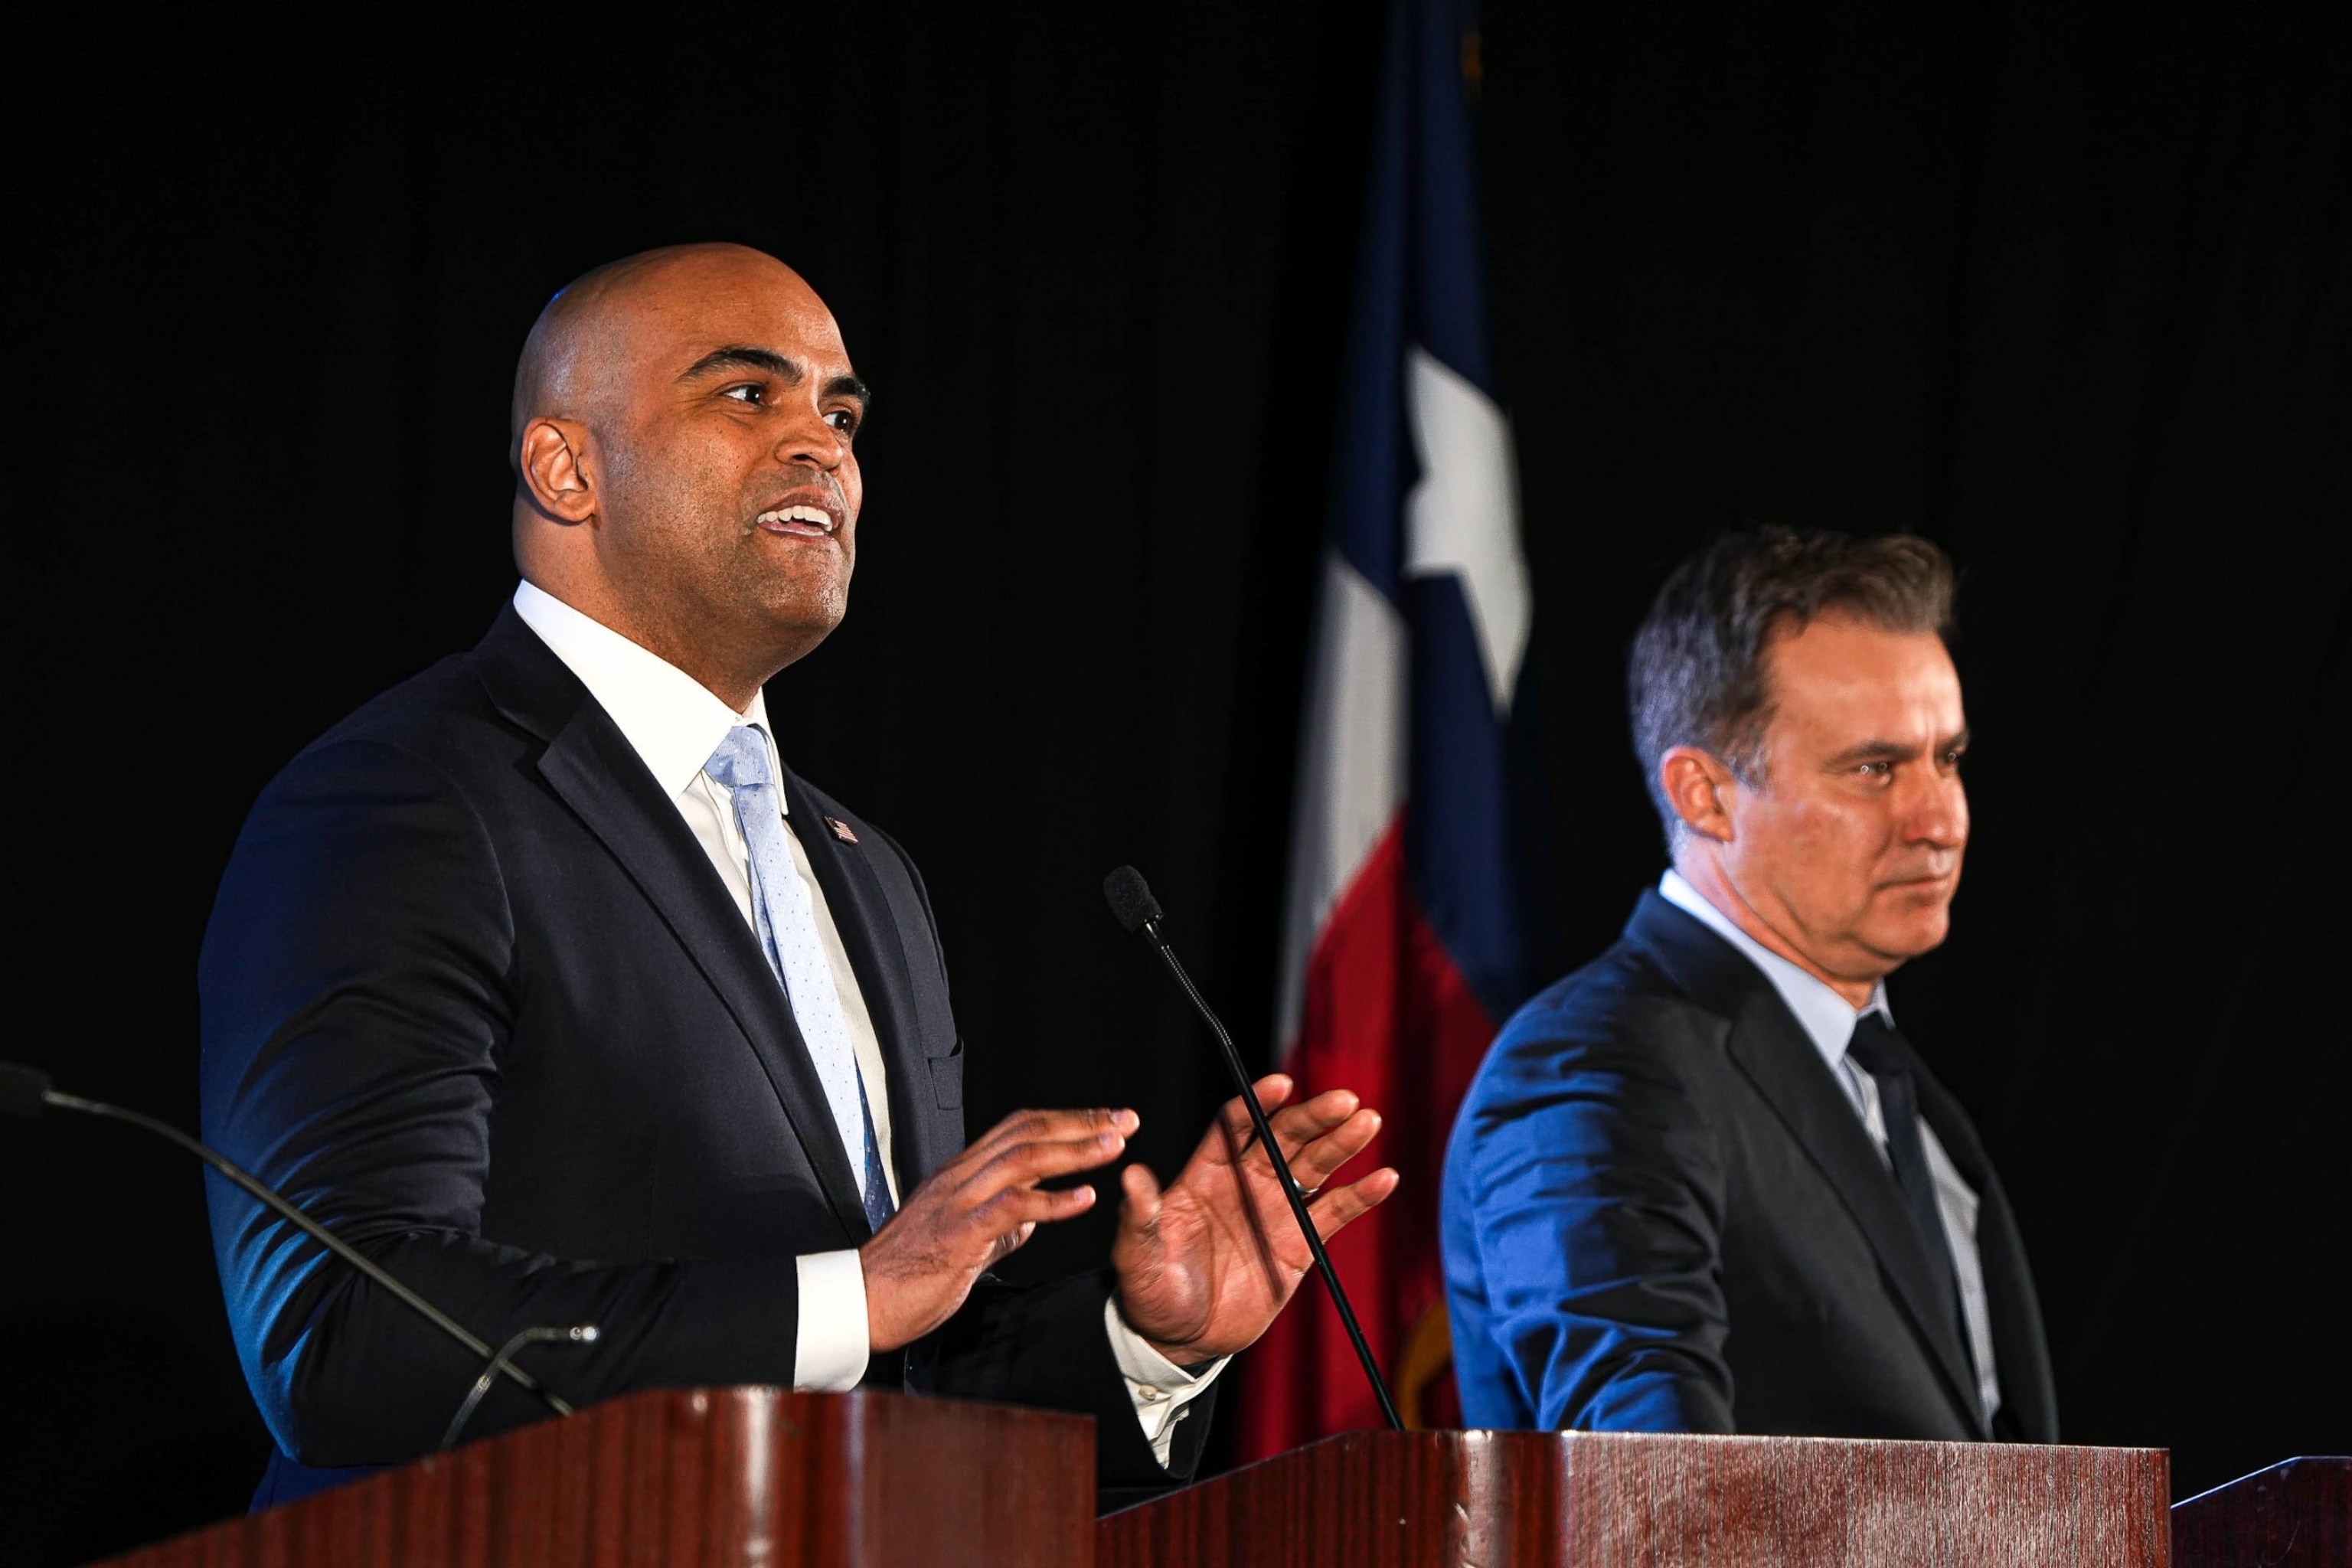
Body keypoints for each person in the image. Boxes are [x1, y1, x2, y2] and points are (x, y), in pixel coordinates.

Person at [199, 243, 1398, 1506]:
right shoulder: (407, 799)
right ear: (565, 467)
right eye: (745, 394)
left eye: (840, 411)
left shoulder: (865, 871)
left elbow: (907, 1380)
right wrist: (856, 1291)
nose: (822, 445)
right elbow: (340, 1329)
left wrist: (1149, 1340)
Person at [1440, 527, 2056, 1442]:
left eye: (1948, 758)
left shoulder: (1903, 1091)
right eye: (1875, 768)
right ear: (1704, 793)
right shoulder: (1593, 1064)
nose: (1940, 819)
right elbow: (1647, 1489)